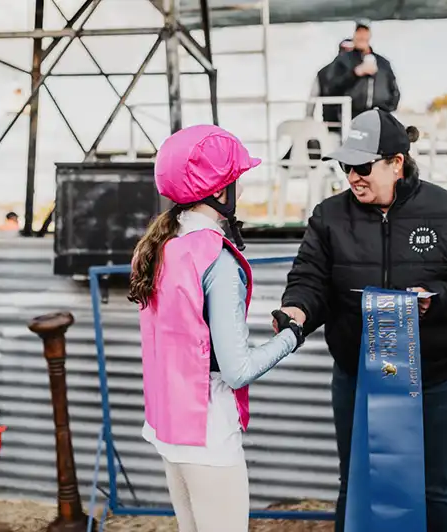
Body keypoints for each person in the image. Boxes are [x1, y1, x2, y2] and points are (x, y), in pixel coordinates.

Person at [276, 109, 447, 532]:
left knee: (430, 488)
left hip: (439, 378)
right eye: (347, 165)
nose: (352, 176)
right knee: (357, 483)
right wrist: (296, 312)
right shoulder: (328, 216)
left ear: (396, 163)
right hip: (358, 377)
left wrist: (436, 300)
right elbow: (309, 280)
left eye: (363, 166)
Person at [128, 125, 305, 532]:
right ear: (221, 191)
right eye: (236, 181)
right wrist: (290, 336)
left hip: (167, 430)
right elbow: (237, 369)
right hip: (208, 435)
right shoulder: (216, 259)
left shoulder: (159, 246)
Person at [324, 21, 400, 130]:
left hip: (378, 119)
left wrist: (387, 109)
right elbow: (331, 87)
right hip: (350, 119)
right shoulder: (344, 60)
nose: (361, 36)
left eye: (364, 32)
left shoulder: (383, 63)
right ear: (354, 34)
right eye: (359, 32)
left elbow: (394, 90)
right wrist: (355, 73)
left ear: (369, 35)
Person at [306, 38, 355, 135]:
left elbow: (311, 101)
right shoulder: (360, 72)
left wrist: (308, 118)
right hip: (347, 126)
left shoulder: (323, 72)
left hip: (332, 127)